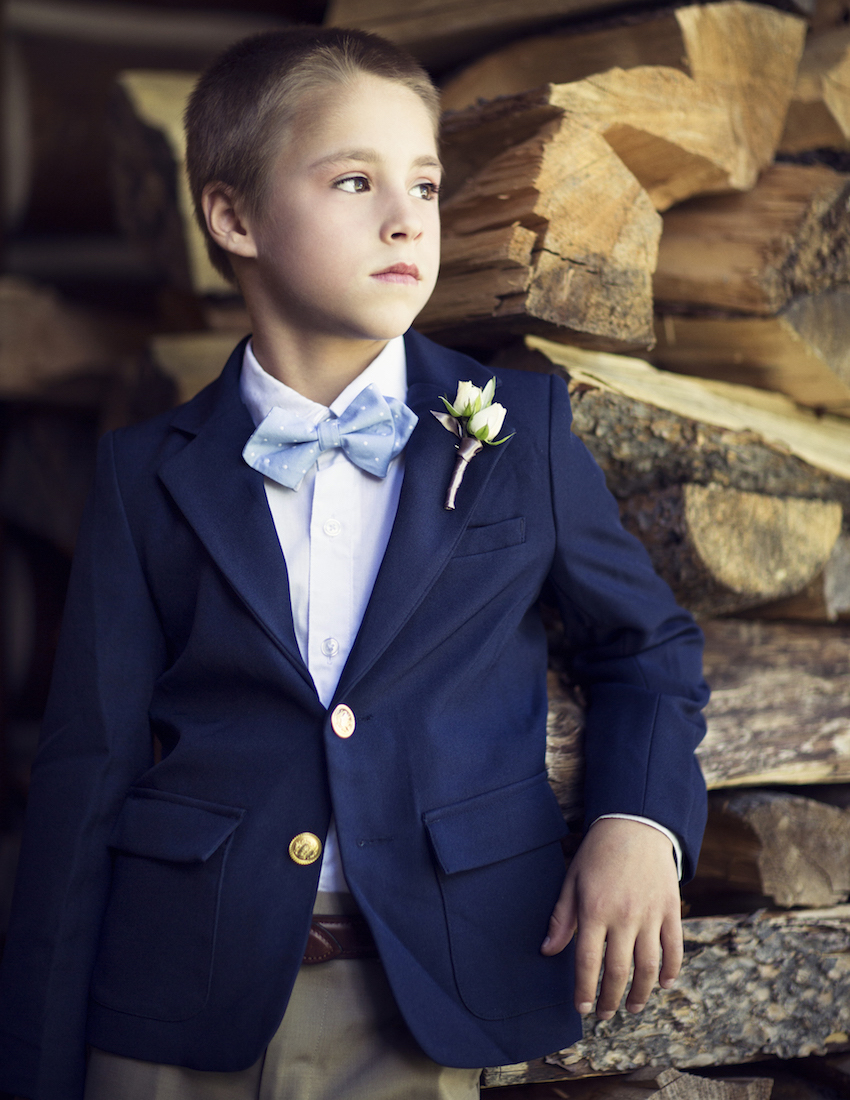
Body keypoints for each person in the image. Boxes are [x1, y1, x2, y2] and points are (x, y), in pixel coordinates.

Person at [0, 26, 709, 1100]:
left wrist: (637, 819)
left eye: (422, 184)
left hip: (417, 989)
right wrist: (37, 1065)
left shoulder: (519, 430)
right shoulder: (144, 471)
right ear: (232, 217)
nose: (403, 219)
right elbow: (86, 769)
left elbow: (646, 645)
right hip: (171, 990)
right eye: (352, 180)